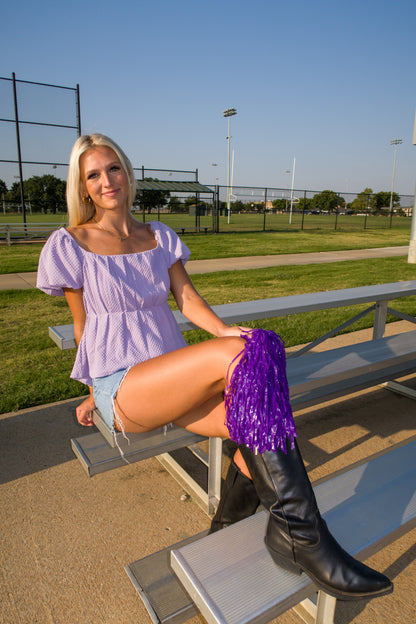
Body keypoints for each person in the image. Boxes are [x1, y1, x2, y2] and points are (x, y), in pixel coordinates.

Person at [37, 133, 392, 601]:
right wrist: (91, 391)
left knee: (261, 420)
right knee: (251, 356)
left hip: (172, 378)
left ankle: (241, 533)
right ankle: (307, 539)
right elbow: (85, 330)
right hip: (123, 388)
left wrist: (225, 331)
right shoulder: (71, 243)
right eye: (94, 175)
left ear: (128, 173)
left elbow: (186, 299)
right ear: (82, 187)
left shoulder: (159, 236)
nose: (107, 181)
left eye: (114, 168)